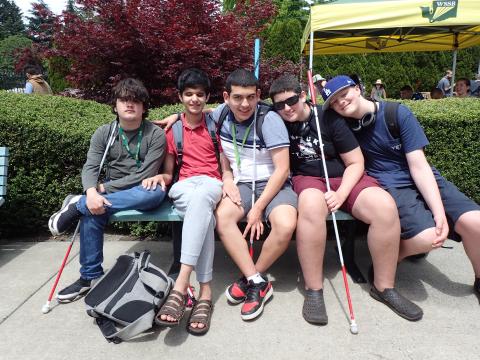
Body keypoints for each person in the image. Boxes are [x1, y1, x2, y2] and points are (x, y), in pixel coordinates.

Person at [269, 74, 422, 324]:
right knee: (310, 205)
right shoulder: (277, 120)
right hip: (308, 179)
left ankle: (384, 287)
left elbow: (355, 162)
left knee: (384, 207)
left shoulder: (328, 117)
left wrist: (340, 194)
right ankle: (314, 289)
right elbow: (238, 107)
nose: (286, 108)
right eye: (279, 104)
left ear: (304, 96)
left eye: (292, 100)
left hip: (344, 178)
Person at [321, 75, 480, 306]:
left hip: (422, 176)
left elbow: (419, 166)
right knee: (429, 237)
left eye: (344, 95)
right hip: (389, 184)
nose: (341, 103)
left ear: (357, 89)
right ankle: (392, 256)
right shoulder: (342, 127)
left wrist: (438, 213)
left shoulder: (397, 113)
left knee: (475, 222)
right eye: (334, 102)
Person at [48, 78, 167, 301]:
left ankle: (77, 204)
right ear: (115, 105)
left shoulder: (155, 134)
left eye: (136, 100)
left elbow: (144, 176)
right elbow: (91, 166)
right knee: (94, 210)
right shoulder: (104, 133)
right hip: (110, 195)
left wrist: (100, 190)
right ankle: (89, 277)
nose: (130, 104)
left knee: (155, 193)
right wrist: (92, 193)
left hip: (142, 189)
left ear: (144, 107)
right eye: (124, 100)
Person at [143, 68, 227, 335]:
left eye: (200, 94)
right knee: (204, 214)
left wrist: (228, 181)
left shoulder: (216, 123)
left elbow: (236, 100)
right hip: (183, 186)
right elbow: (170, 172)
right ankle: (205, 292)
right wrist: (160, 178)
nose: (194, 99)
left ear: (207, 97)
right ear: (180, 97)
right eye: (188, 94)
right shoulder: (174, 130)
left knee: (202, 197)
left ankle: (181, 283)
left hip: (212, 184)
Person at [213, 69, 297, 321]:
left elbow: (283, 170)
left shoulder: (269, 119)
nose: (245, 104)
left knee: (285, 224)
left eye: (251, 97)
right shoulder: (220, 114)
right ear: (226, 96)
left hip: (274, 183)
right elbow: (223, 149)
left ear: (259, 95)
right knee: (224, 217)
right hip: (242, 184)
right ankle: (258, 282)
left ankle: (252, 277)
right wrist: (226, 176)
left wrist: (258, 208)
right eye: (238, 97)